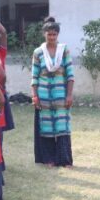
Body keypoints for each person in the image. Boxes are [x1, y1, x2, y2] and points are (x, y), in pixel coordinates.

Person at [31, 17, 75, 167]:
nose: (51, 37)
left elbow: (70, 75)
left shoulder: (64, 51)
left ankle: (65, 160)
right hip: (43, 95)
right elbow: (34, 77)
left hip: (60, 94)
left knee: (63, 126)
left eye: (54, 34)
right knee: (47, 127)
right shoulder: (38, 52)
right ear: (44, 34)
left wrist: (69, 95)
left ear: (58, 35)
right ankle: (49, 159)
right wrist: (35, 95)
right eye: (49, 34)